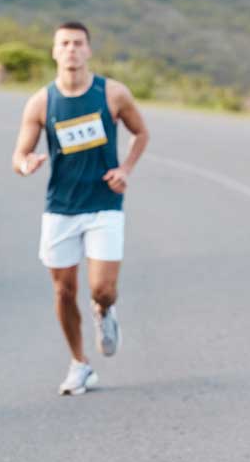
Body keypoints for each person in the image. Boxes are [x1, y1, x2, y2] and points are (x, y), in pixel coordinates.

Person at [11, 21, 150, 395]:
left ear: (88, 50)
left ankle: (104, 311)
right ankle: (79, 363)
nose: (71, 50)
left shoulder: (113, 93)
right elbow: (19, 155)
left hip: (104, 203)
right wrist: (26, 164)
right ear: (54, 52)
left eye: (78, 43)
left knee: (102, 288)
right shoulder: (41, 102)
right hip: (60, 208)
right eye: (64, 44)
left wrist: (125, 169)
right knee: (62, 291)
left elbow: (142, 132)